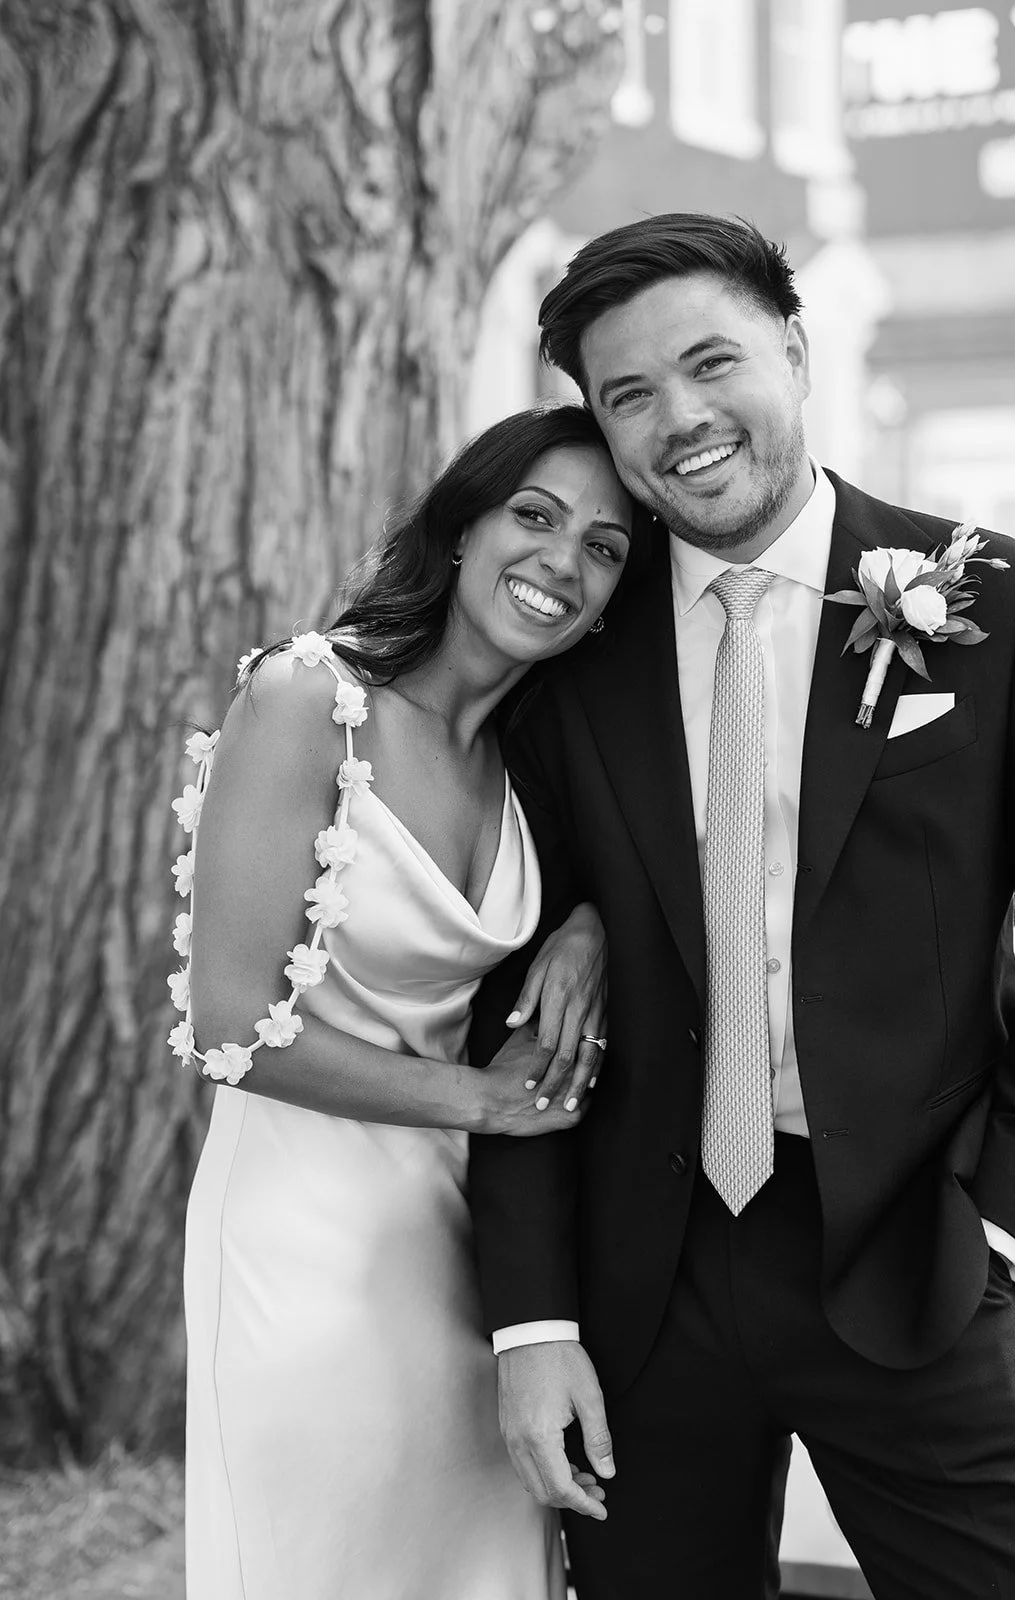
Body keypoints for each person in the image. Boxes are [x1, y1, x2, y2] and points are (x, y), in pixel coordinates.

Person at [467, 214, 1015, 1600]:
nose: (679, 418)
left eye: (709, 362)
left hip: (912, 1252)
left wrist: (1005, 1224)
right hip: (636, 1286)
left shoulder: (996, 597)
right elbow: (514, 986)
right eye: (627, 395)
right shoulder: (571, 642)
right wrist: (531, 1318)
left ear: (792, 348)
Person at [175, 403, 646, 1600]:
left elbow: (616, 896)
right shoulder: (307, 698)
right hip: (302, 1234)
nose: (561, 561)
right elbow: (226, 1024)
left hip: (464, 1248)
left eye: (602, 548)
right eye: (534, 516)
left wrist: (586, 921)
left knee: (477, 1567)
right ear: (459, 523)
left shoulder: (540, 762)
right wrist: (478, 1101)